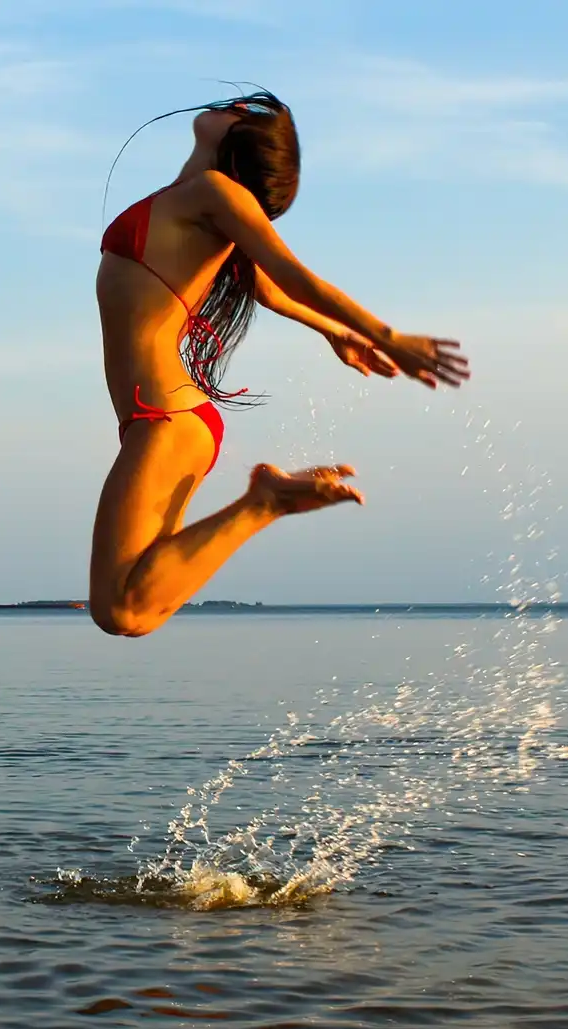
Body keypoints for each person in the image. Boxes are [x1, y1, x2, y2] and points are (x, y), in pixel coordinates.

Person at [91, 91, 468, 637]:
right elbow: (265, 287)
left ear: (241, 148)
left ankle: (263, 504)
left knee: (121, 609)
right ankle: (265, 503)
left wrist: (387, 335)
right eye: (241, 106)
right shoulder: (192, 199)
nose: (233, 109)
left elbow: (291, 273)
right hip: (156, 420)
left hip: (166, 419)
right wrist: (335, 332)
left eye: (246, 113)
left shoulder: (218, 194)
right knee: (137, 606)